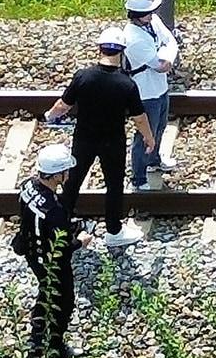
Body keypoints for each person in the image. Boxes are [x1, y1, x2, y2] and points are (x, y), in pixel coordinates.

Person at [45, 27, 155, 248]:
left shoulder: (83, 76)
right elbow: (139, 117)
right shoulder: (127, 84)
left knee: (72, 182)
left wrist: (50, 115)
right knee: (114, 185)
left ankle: (61, 226)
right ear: (122, 52)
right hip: (112, 141)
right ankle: (113, 231)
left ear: (99, 49)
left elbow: (62, 105)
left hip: (84, 139)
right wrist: (149, 138)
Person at [14, 143, 92, 358]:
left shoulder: (28, 187)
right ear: (57, 174)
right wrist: (80, 241)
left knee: (47, 298)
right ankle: (45, 353)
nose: (68, 175)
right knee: (61, 303)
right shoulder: (53, 210)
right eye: (65, 171)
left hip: (33, 253)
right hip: (50, 261)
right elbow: (63, 247)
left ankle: (45, 346)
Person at [121, 0, 180, 191]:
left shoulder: (153, 21)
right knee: (145, 135)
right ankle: (138, 177)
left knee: (161, 126)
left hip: (160, 89)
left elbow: (170, 42)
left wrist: (167, 55)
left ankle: (154, 161)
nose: (153, 14)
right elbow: (159, 65)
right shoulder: (133, 38)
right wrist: (166, 55)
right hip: (145, 93)